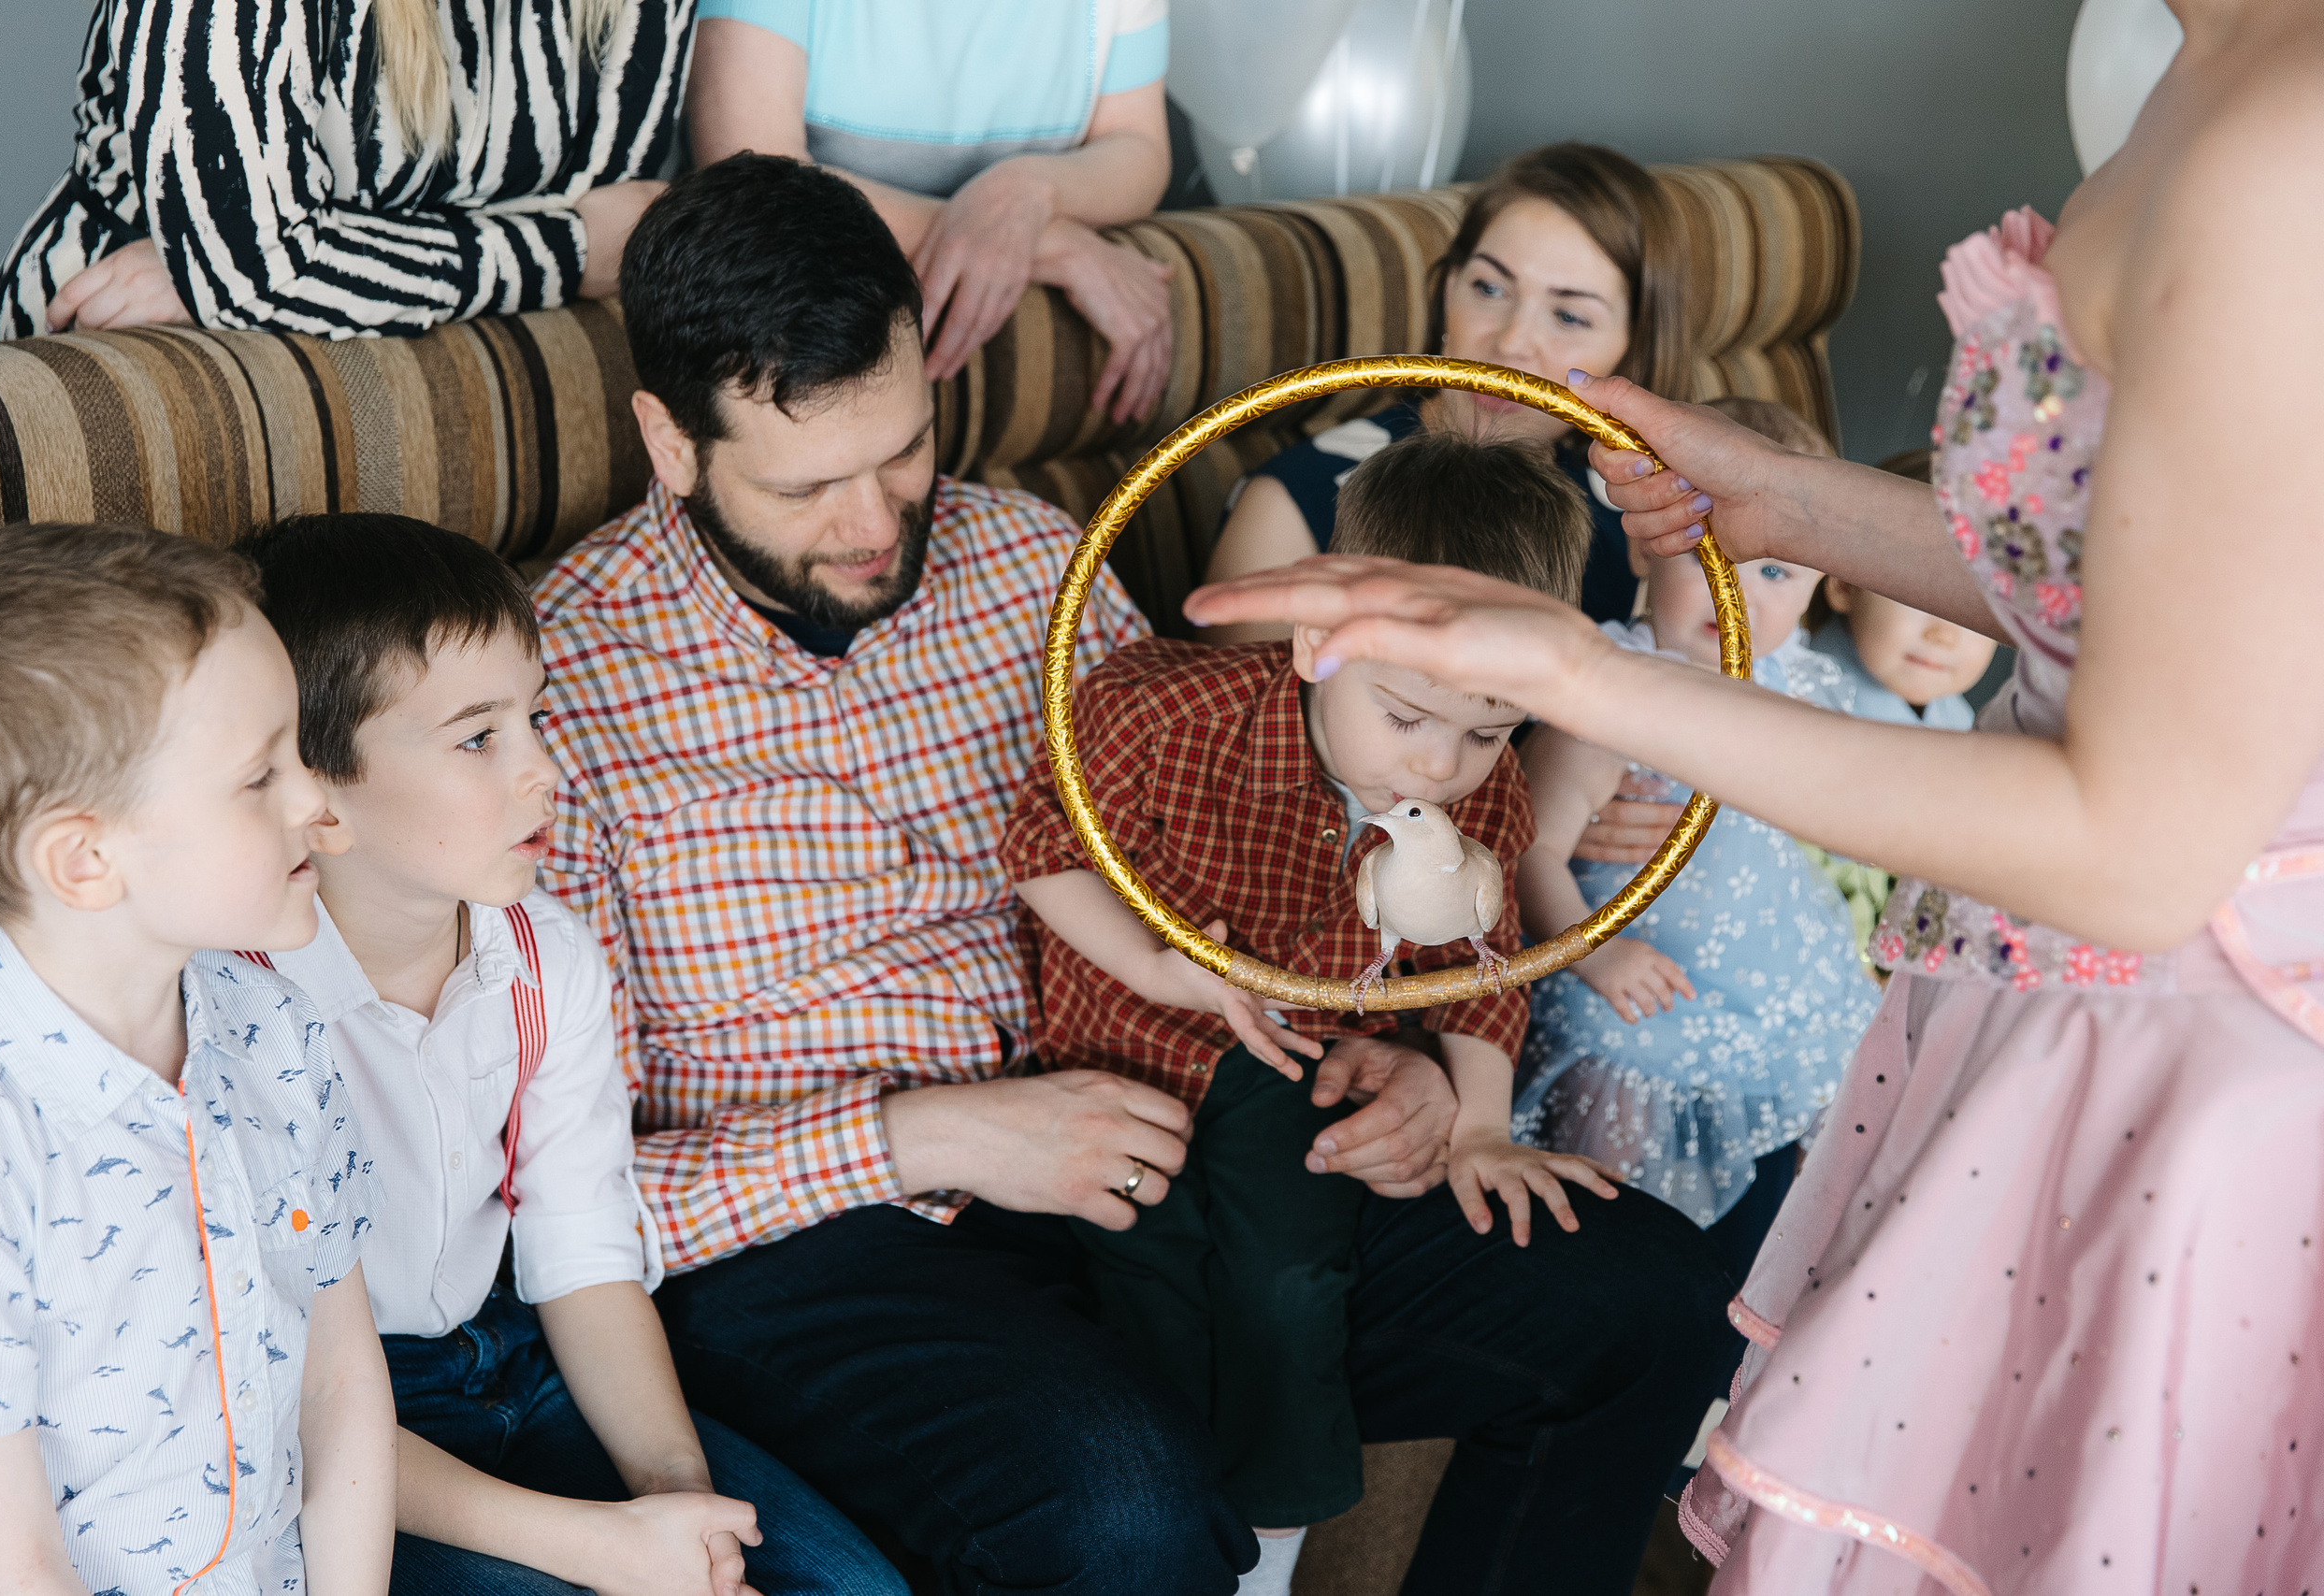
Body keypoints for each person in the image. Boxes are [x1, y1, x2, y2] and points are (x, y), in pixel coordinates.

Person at [1180, 2, 2324, 1582]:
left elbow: (2139, 855)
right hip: (2056, 1016)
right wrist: (1792, 500)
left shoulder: (2290, 145)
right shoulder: (2211, 74)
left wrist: (1586, 677)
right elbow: (2151, 578)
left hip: (2200, 1066)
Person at [535, 151, 1739, 1596]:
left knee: (1652, 1299)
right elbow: (552, 1198)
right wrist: (936, 1136)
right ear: (669, 443)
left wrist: (1411, 1059)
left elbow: (1270, 837)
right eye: (809, 483)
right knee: (1127, 1512)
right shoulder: (554, 693)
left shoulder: (1035, 562)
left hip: (1172, 1129)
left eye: (903, 450)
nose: (875, 523)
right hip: (833, 1234)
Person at [236, 513, 905, 1596]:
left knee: (846, 1586)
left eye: (533, 718)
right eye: (478, 737)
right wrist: (598, 1548)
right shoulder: (238, 1014)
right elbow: (304, 1406)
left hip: (516, 1353)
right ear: (318, 796)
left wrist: (682, 1510)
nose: (547, 770)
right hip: (340, 1437)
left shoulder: (548, 957)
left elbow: (584, 1258)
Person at [1003, 429, 1620, 1596]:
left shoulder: (1484, 796)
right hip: (1123, 1038)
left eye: (1485, 731)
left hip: (1288, 1059)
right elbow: (1040, 847)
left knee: (1290, 1279)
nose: (1438, 767)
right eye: (1404, 718)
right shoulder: (1157, 715)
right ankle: (1180, 1536)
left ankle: (1269, 1557)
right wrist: (1153, 966)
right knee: (1148, 1273)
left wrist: (1481, 1122)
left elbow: (1482, 969)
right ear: (1314, 644)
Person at [0, 525, 396, 1593]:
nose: (318, 806)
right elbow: (13, 1565)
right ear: (86, 859)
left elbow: (337, 1377)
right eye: (258, 777)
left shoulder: (275, 1026)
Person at [1509, 400, 1880, 1281]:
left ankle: (1756, 1311)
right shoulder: (1611, 695)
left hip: (1771, 976)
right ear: (1644, 545)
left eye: (1780, 573)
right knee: (1623, 1198)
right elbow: (1527, 849)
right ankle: (1616, 1296)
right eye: (1711, 557)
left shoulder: (1794, 688)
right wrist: (1595, 955)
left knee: (1810, 1168)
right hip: (1634, 988)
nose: (1742, 594)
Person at [0, 0, 697, 340]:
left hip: (397, 426)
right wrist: (562, 250)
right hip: (117, 378)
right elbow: (264, 276)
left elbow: (617, 212)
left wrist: (267, 260)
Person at [1202, 141, 1688, 641]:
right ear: (1448, 293)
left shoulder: (1635, 529)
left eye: (1569, 316)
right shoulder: (1291, 511)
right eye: (1489, 288)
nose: (1510, 343)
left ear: (1631, 356)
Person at [686, 0, 1175, 422]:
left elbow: (1139, 145)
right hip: (800, 345)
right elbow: (751, 172)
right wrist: (1050, 247)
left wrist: (1025, 190)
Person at [1806, 450, 1999, 730]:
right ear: (1845, 583)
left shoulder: (1961, 720)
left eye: (1976, 606)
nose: (1943, 635)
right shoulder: (1793, 692)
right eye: (1921, 596)